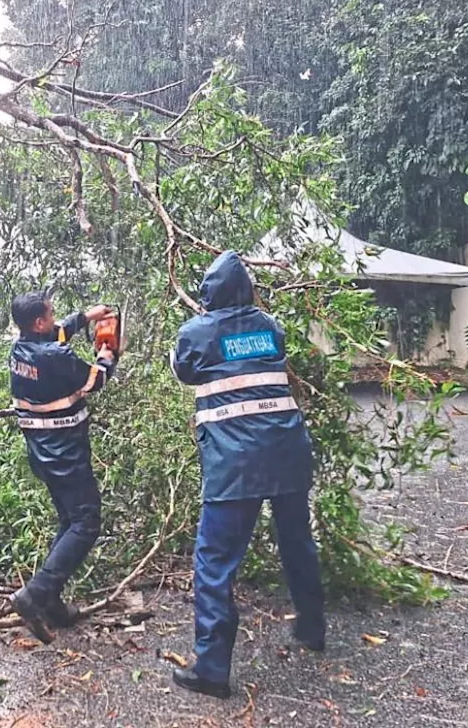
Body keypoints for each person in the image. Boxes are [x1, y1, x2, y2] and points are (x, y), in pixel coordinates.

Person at [169, 250, 325, 699]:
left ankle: (212, 670)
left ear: (209, 291)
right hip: (288, 452)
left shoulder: (196, 331)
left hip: (236, 464)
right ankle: (313, 629)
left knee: (214, 561)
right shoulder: (271, 326)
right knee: (297, 542)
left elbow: (184, 369)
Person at [7, 291, 117, 643]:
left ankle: (51, 601)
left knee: (69, 520)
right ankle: (36, 594)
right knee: (86, 523)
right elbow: (96, 380)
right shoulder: (55, 356)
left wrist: (86, 317)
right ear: (38, 321)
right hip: (66, 452)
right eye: (51, 315)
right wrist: (107, 353)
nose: (56, 320)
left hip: (41, 452)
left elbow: (58, 333)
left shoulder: (21, 348)